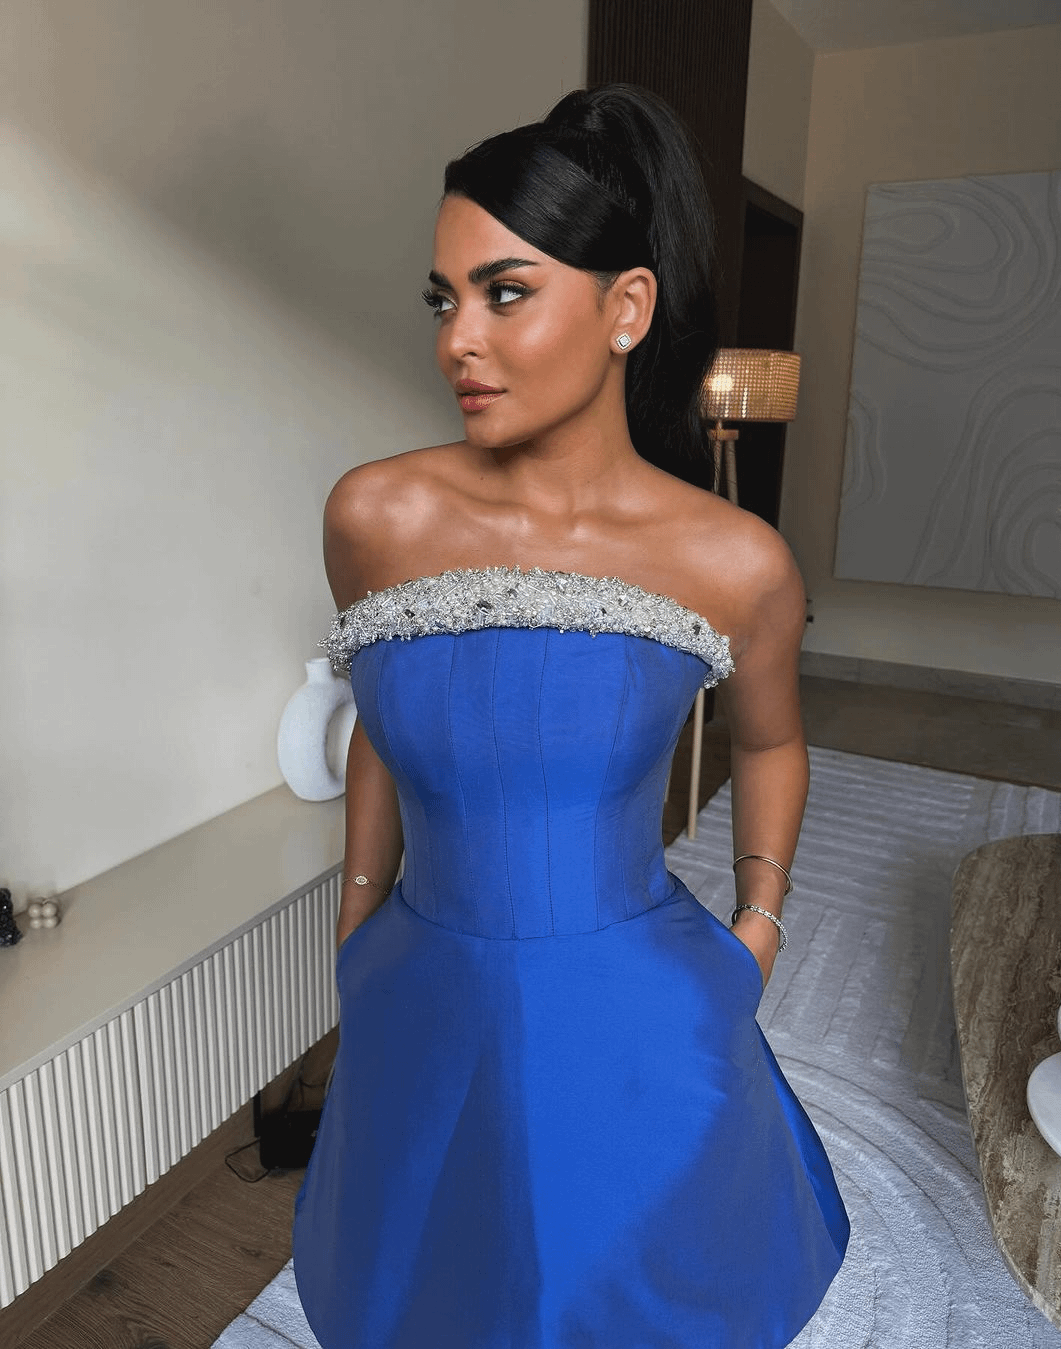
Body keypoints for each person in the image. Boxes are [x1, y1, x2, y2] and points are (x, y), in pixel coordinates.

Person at [291, 83, 849, 1348]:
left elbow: (771, 740)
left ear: (626, 308)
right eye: (443, 298)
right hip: (417, 991)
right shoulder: (376, 516)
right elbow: (379, 716)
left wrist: (756, 930)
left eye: (505, 292)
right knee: (422, 1294)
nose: (458, 340)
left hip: (635, 1013)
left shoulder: (732, 558)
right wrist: (358, 916)